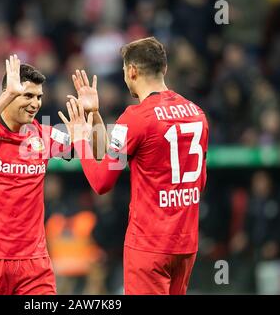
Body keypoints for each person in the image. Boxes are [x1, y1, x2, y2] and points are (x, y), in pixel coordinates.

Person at [59, 37, 209, 295]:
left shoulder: (135, 118)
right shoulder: (197, 113)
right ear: (165, 69)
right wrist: (95, 115)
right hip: (185, 245)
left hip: (149, 247)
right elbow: (200, 182)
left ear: (132, 71)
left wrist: (80, 139)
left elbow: (101, 182)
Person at [0, 55, 102, 295]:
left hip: (33, 263)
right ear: (9, 94)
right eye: (27, 95)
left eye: (38, 97)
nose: (35, 103)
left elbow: (99, 153)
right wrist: (7, 96)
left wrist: (95, 116)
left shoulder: (44, 136)